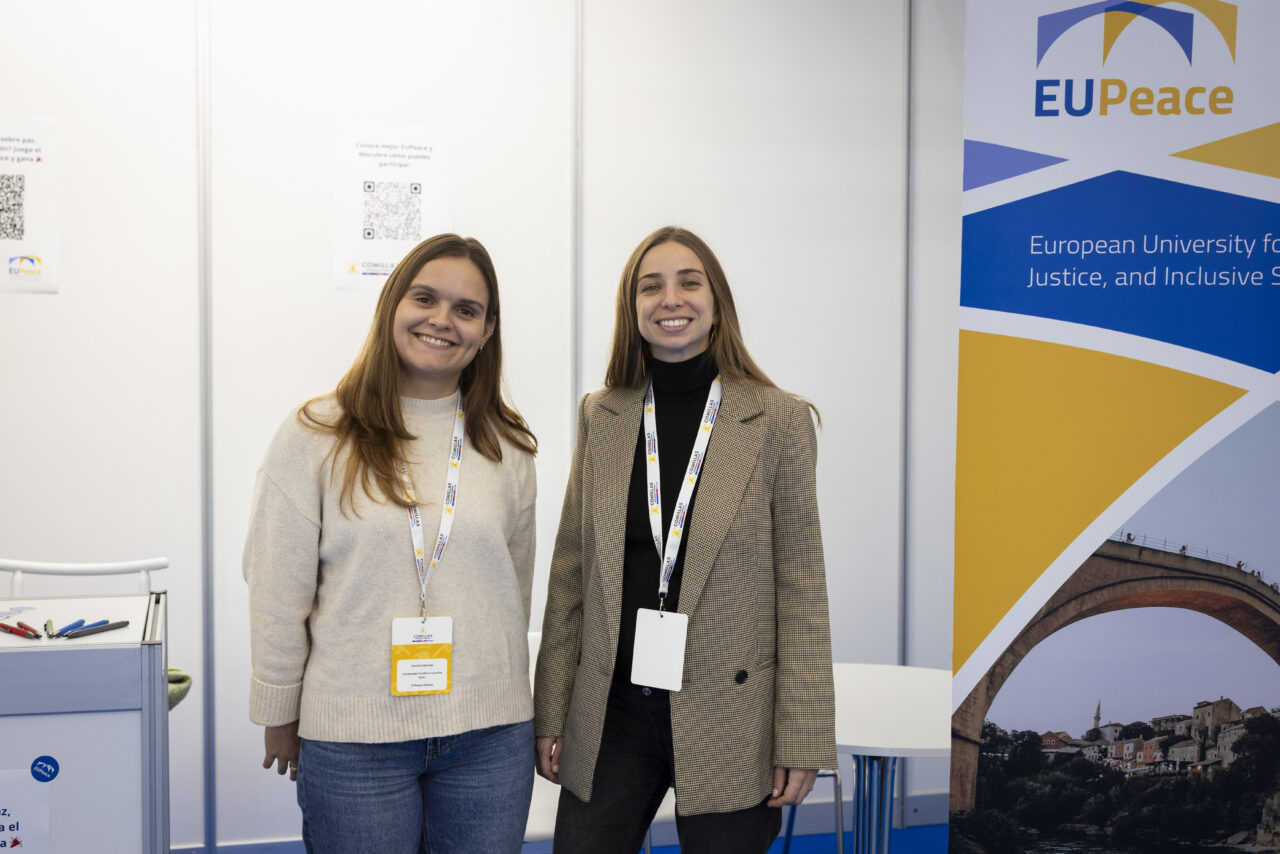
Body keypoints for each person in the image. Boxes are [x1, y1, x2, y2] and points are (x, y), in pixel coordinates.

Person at [534, 226, 836, 853]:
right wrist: (552, 709)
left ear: (716, 300)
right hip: (614, 704)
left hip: (730, 713)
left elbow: (802, 590)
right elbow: (571, 573)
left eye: (688, 282)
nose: (670, 299)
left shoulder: (776, 418)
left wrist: (801, 740)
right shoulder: (604, 414)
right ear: (633, 307)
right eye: (651, 287)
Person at [244, 234, 538, 854]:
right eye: (424, 298)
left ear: (487, 331)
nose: (442, 320)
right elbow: (277, 585)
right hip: (354, 738)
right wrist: (279, 708)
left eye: (467, 309)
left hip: (490, 737)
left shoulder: (507, 446)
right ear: (390, 307)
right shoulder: (316, 434)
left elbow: (515, 586)